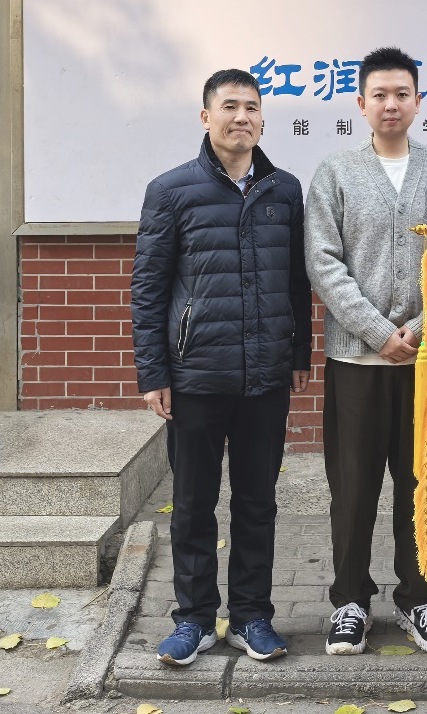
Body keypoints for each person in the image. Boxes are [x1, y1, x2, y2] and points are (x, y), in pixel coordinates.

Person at [132, 68, 311, 666]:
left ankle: (253, 616)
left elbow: (297, 281)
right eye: (229, 106)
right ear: (206, 117)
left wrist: (298, 354)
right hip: (196, 376)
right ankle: (194, 619)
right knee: (192, 504)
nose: (242, 117)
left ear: (262, 119)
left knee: (258, 501)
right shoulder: (171, 190)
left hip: (265, 377)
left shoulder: (284, 190)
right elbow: (148, 287)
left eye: (251, 107)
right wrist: (154, 373)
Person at [304, 47, 427, 656]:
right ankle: (349, 599)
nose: (391, 104)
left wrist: (416, 330)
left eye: (402, 94)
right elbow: (323, 260)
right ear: (361, 103)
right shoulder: (335, 172)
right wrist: (376, 332)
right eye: (380, 95)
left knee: (422, 484)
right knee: (353, 486)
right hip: (356, 362)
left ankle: (420, 598)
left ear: (419, 101)